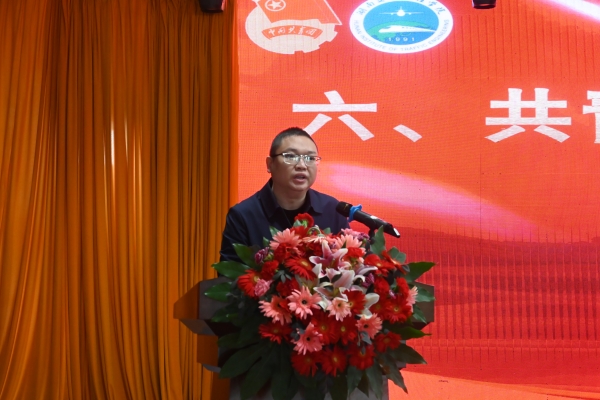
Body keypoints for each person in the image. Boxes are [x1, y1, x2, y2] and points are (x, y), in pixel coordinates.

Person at [220, 127, 349, 262]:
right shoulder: (243, 216)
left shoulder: (332, 210)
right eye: (291, 156)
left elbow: (349, 264)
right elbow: (229, 272)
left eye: (310, 158)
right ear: (270, 164)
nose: (302, 165)